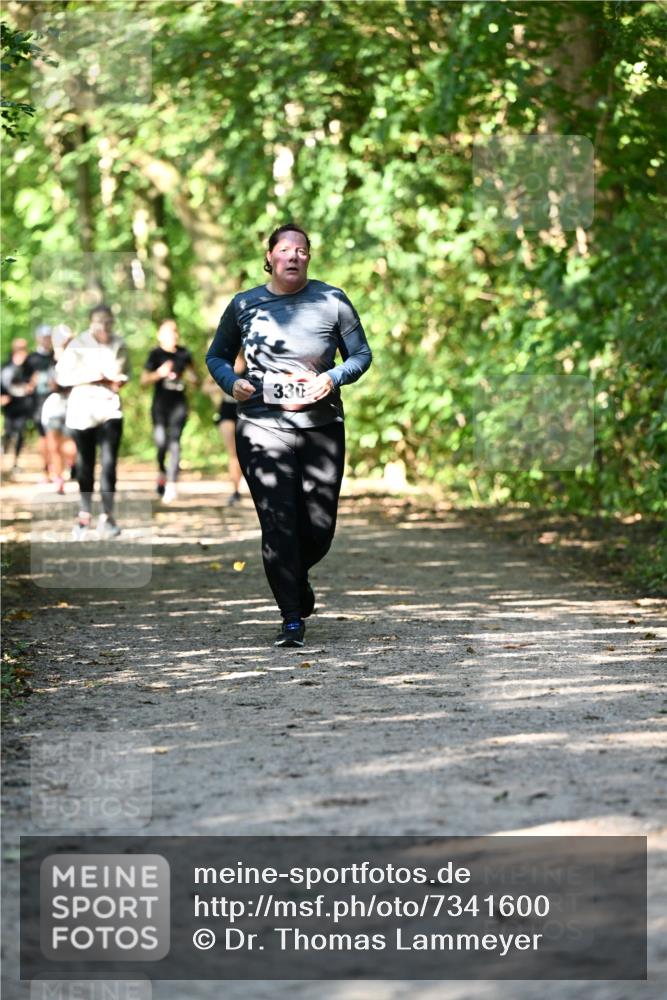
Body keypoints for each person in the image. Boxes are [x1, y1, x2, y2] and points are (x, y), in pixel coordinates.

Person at [206, 223, 372, 648]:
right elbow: (217, 356)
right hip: (261, 427)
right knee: (278, 523)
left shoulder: (332, 300)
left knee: (319, 527)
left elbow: (361, 354)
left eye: (301, 250)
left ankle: (295, 578)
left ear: (308, 257)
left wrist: (333, 377)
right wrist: (231, 382)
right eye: (284, 249)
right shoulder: (244, 304)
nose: (293, 256)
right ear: (270, 257)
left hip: (321, 427)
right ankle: (292, 617)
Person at [55, 304, 129, 539]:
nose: (104, 325)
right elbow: (62, 376)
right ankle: (84, 513)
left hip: (110, 409)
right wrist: (93, 376)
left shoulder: (119, 343)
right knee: (85, 464)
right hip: (82, 412)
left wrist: (113, 379)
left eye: (108, 321)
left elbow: (121, 373)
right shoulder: (78, 344)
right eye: (99, 321)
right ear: (91, 322)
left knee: (109, 464)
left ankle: (108, 516)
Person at [141, 319, 197, 504]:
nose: (172, 335)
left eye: (175, 331)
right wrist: (159, 373)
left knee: (175, 443)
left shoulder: (184, 353)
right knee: (161, 443)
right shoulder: (155, 354)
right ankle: (162, 472)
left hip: (179, 405)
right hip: (160, 406)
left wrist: (192, 378)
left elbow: (195, 377)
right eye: (168, 332)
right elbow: (143, 381)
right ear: (159, 335)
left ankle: (171, 484)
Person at [39, 325, 77, 493]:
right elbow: (46, 384)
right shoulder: (48, 359)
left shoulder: (78, 359)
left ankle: (72, 465)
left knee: (70, 445)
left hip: (73, 405)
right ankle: (59, 478)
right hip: (54, 406)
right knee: (54, 445)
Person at [212, 351, 246, 506]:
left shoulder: (252, 364)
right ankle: (236, 491)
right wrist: (222, 387)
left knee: (246, 452)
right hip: (227, 411)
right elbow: (206, 386)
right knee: (233, 453)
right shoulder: (224, 364)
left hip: (246, 412)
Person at [1, 338, 36, 474]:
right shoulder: (6, 365)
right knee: (8, 433)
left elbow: (34, 383)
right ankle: (3, 462)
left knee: (20, 433)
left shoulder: (29, 366)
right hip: (10, 406)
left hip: (24, 405)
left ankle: (15, 462)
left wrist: (30, 386)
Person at [27, 324, 55, 481]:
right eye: (44, 337)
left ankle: (59, 468)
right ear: (38, 338)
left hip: (57, 400)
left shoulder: (56, 357)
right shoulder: (31, 359)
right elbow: (21, 383)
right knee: (44, 436)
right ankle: (46, 469)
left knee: (58, 435)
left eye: (49, 337)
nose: (47, 340)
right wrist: (31, 382)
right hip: (38, 402)